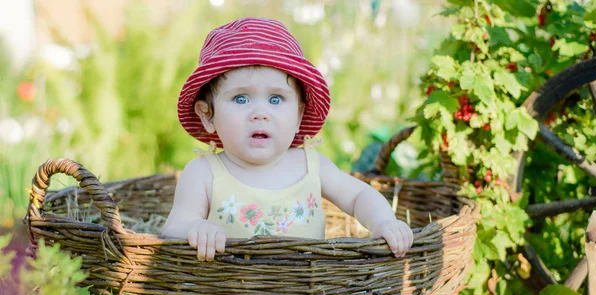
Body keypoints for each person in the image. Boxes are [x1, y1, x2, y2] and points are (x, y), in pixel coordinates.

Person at [162, 17, 413, 261]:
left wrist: (383, 222)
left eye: (276, 99)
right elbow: (174, 227)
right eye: (241, 98)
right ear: (207, 115)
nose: (260, 114)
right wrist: (195, 229)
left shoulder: (310, 165)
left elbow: (359, 196)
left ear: (298, 115)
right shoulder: (204, 173)